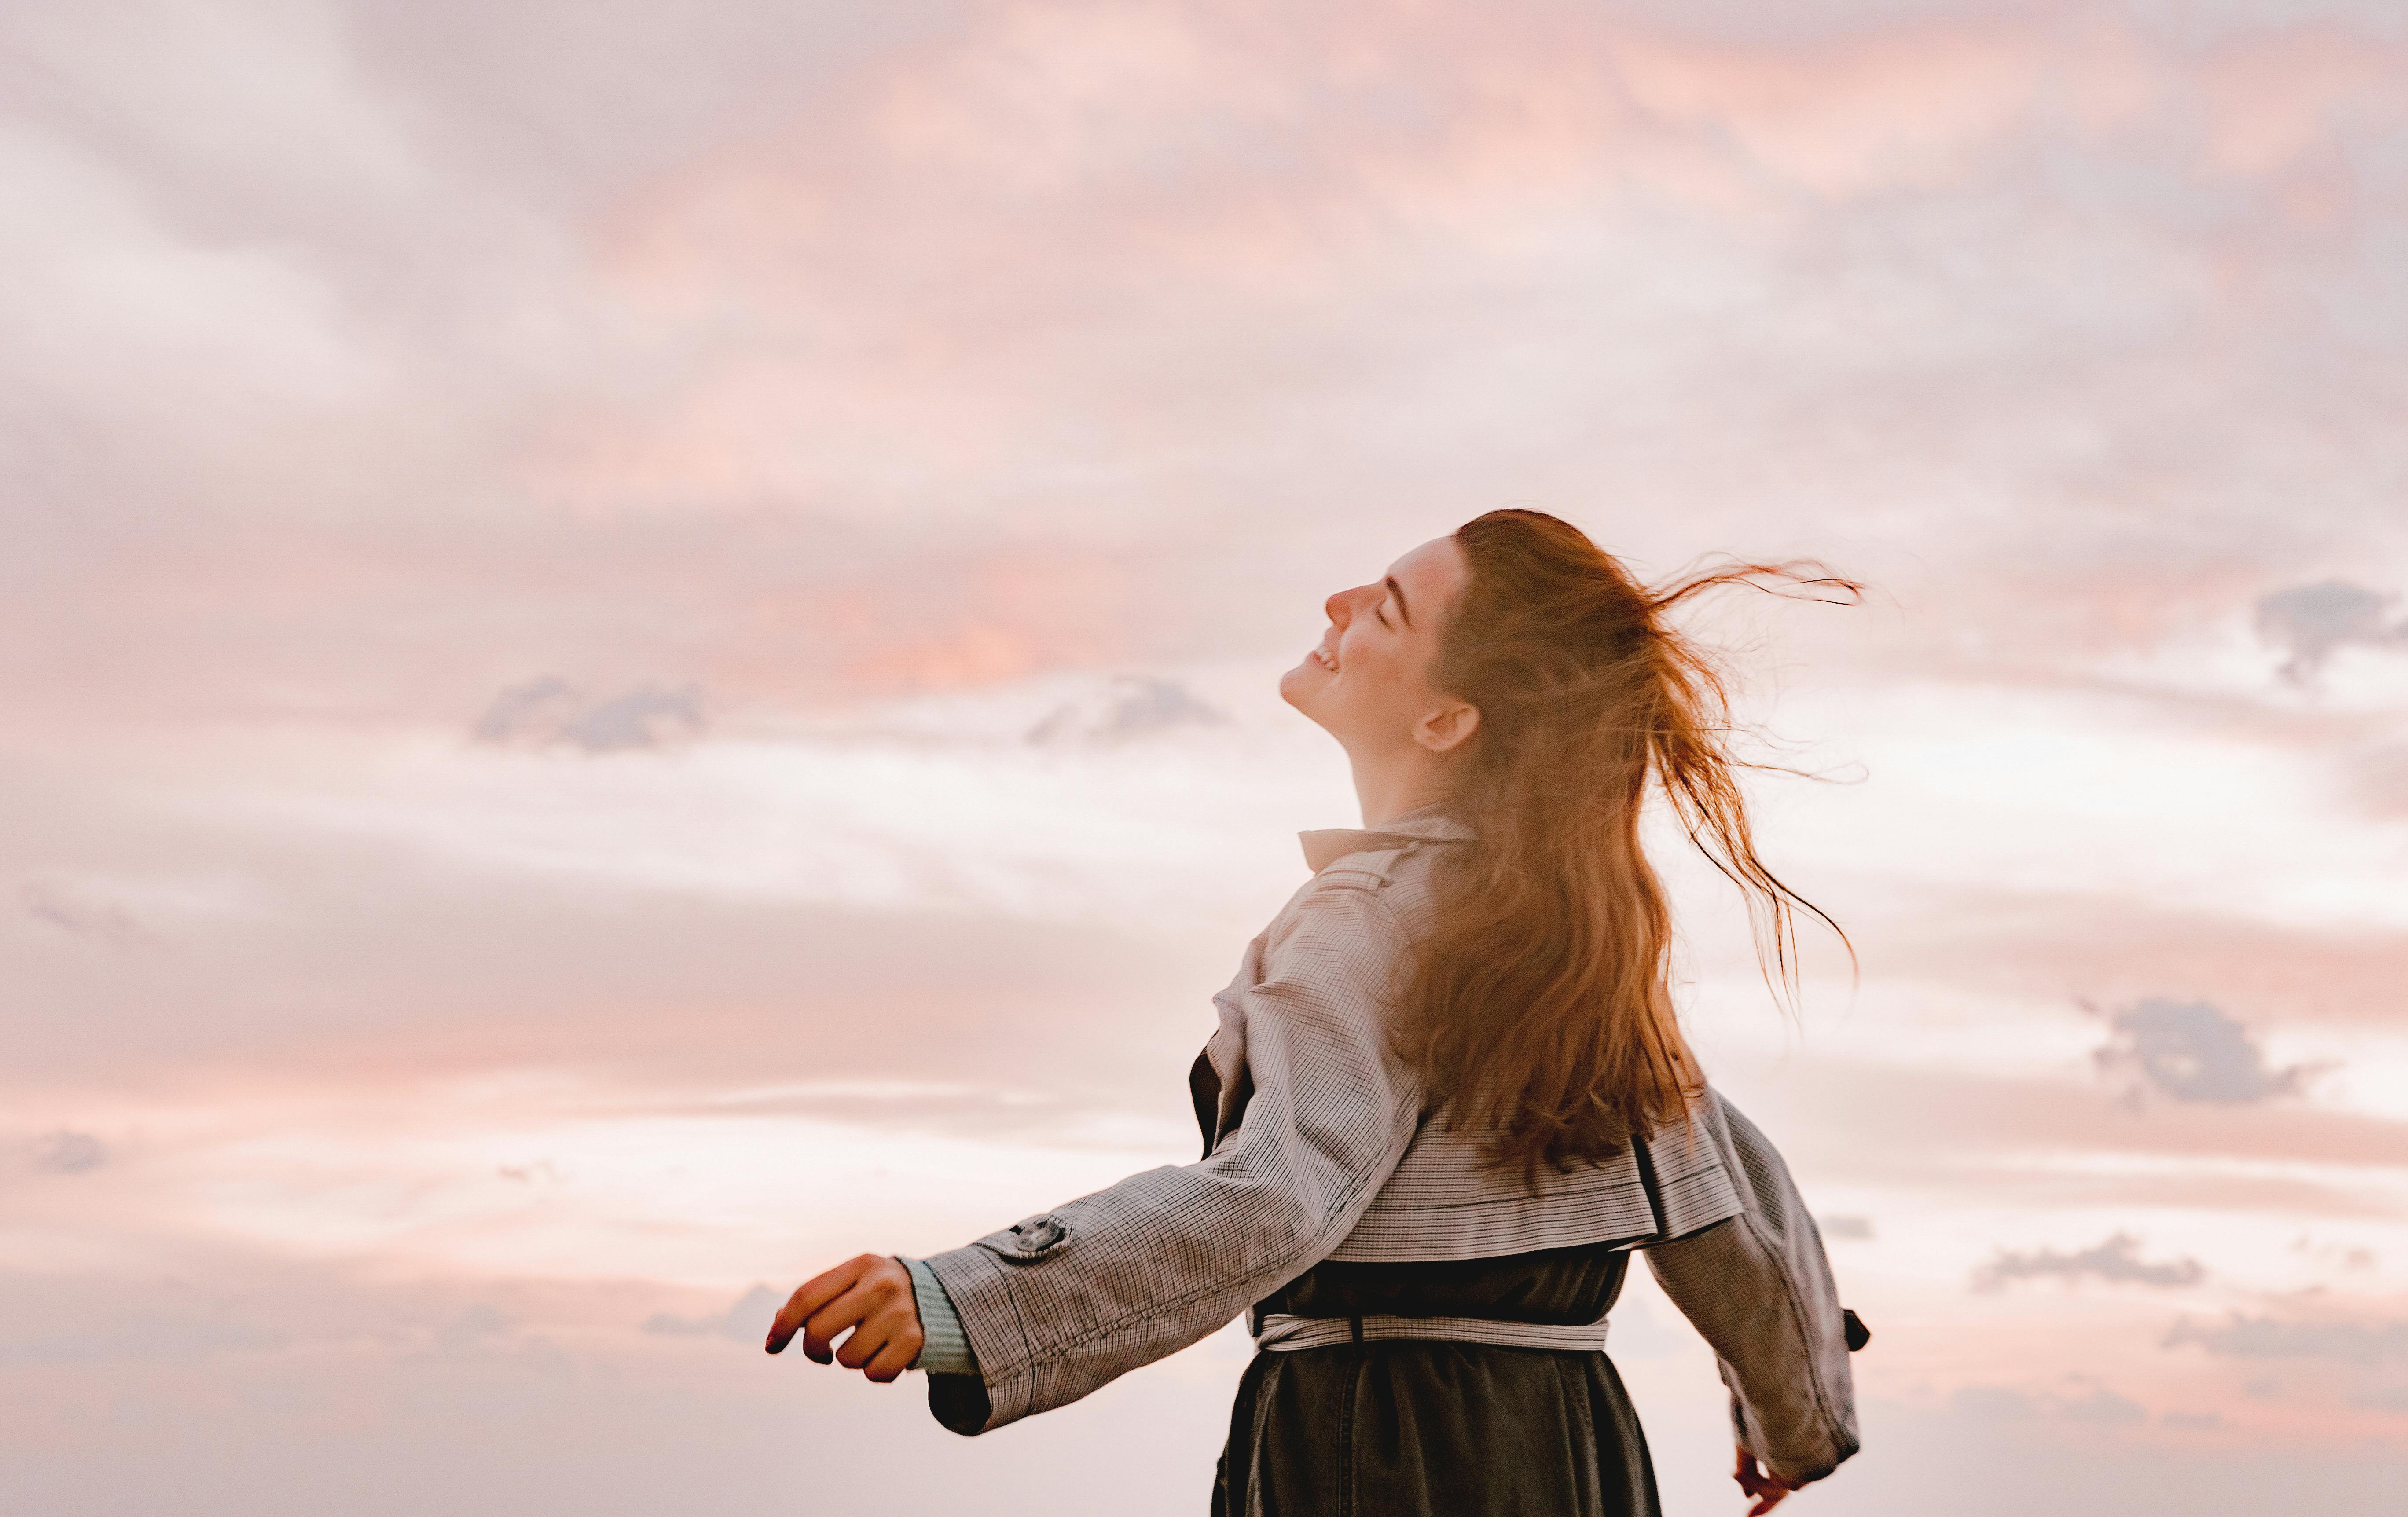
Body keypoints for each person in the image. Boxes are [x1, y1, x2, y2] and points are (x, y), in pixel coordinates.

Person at [766, 509, 1868, 1516]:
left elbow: (1272, 1198)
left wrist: (966, 1300)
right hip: (1574, 1448)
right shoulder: (1577, 950)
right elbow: (1731, 1208)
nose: (1338, 603)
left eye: (1384, 605)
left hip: (1374, 1449)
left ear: (1447, 720)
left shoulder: (1360, 925)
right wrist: (1799, 1426)